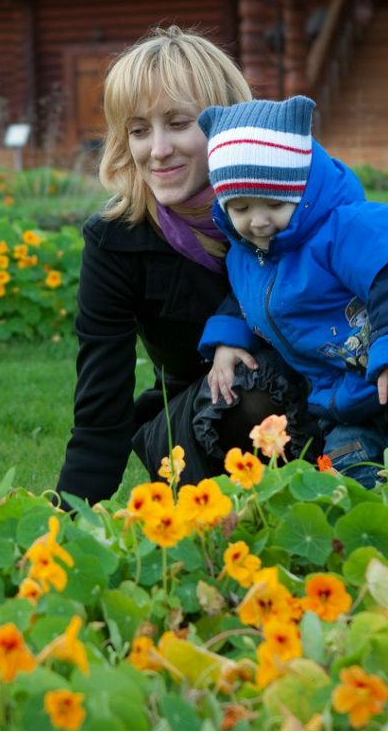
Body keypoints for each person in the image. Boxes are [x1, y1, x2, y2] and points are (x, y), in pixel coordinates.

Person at [56, 26, 320, 506]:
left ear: (224, 121)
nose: (157, 150)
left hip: (326, 393)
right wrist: (65, 517)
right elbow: (102, 399)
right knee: (250, 388)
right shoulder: (117, 239)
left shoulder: (297, 207)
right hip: (203, 420)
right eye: (138, 130)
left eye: (178, 123)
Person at [198, 96, 388, 487]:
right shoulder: (246, 256)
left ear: (302, 191)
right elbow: (250, 299)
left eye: (274, 204)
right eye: (241, 207)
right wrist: (229, 339)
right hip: (347, 395)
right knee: (347, 474)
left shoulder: (347, 228)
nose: (258, 221)